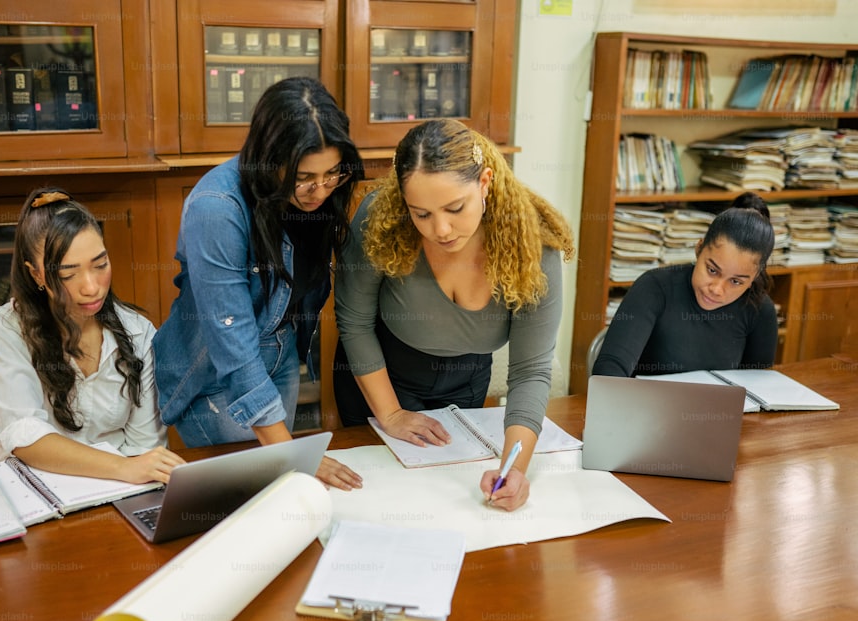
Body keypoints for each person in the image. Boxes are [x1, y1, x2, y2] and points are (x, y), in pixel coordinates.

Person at [333, 118, 575, 511]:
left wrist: (515, 468)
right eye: (421, 214)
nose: (440, 230)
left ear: (485, 182)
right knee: (379, 504)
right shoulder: (381, 218)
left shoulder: (533, 243)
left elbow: (530, 369)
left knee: (447, 504)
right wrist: (391, 413)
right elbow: (354, 322)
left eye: (455, 208)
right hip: (378, 378)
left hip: (465, 382)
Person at [153, 77, 365, 491]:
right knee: (253, 494)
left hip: (278, 352)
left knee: (279, 490)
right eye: (303, 177)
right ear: (270, 159)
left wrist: (290, 457)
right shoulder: (217, 208)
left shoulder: (322, 194)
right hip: (215, 373)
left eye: (331, 174)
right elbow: (232, 348)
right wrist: (294, 456)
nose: (318, 190)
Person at [0, 187, 182, 484]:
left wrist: (134, 471)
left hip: (119, 491)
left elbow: (144, 448)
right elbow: (26, 436)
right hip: (39, 491)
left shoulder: (137, 334)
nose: (91, 287)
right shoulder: (6, 330)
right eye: (68, 274)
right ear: (36, 274)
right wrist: (124, 469)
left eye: (100, 265)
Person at [591, 192, 778, 378]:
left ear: (754, 276)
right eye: (712, 270)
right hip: (646, 406)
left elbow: (757, 388)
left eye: (736, 281)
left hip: (717, 408)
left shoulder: (760, 311)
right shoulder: (654, 288)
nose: (716, 289)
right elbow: (610, 369)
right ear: (699, 248)